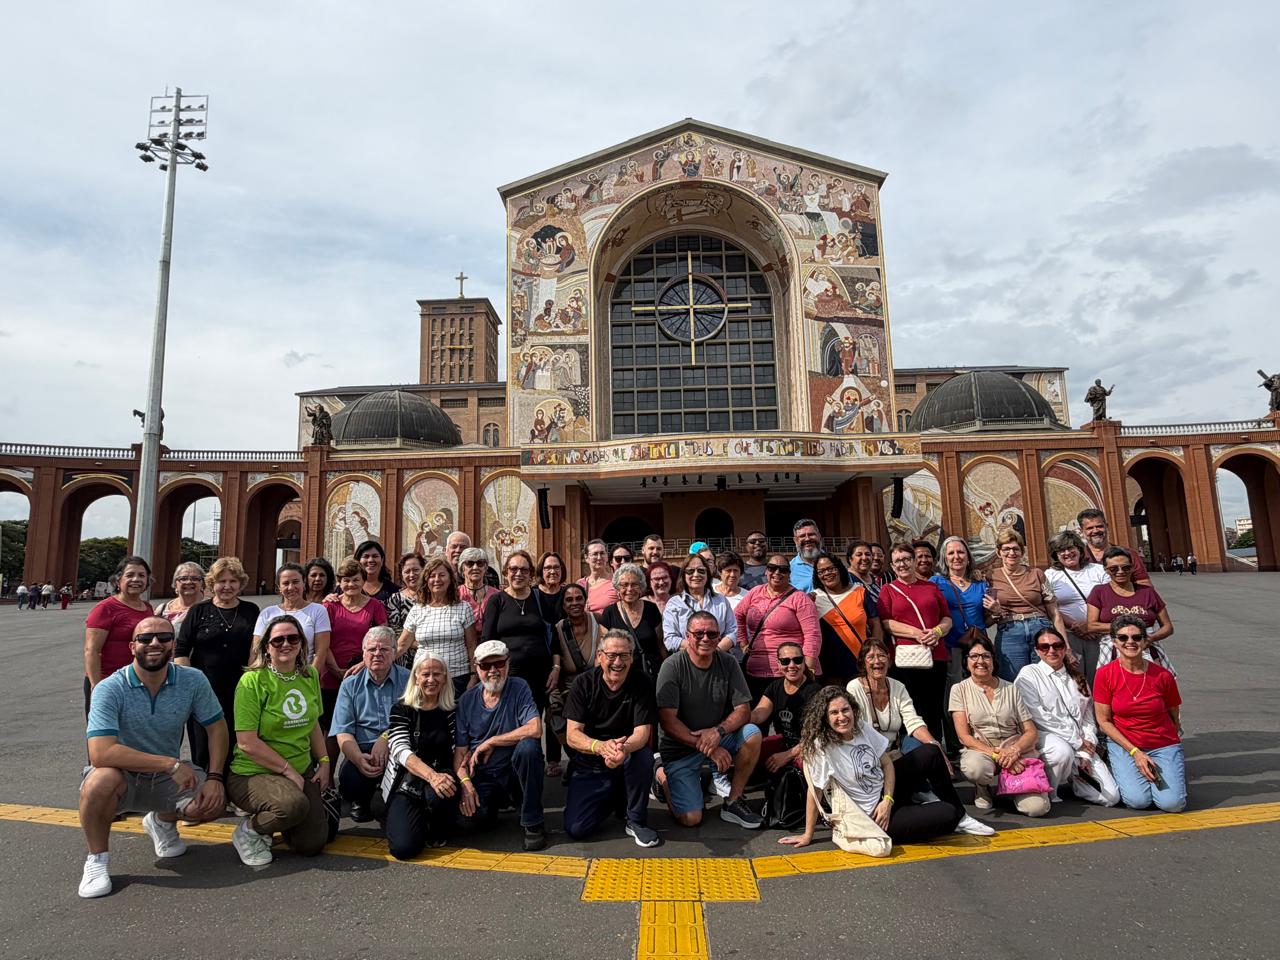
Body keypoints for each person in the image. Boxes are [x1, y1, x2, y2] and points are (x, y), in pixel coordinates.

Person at [77, 617, 229, 898]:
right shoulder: (109, 688)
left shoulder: (192, 679)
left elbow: (216, 726)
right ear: (132, 646)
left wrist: (216, 777)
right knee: (99, 781)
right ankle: (96, 860)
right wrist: (169, 764)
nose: (155, 643)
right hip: (123, 774)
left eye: (164, 637)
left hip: (165, 778)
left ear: (173, 644)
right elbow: (101, 752)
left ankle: (161, 820)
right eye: (146, 639)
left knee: (212, 804)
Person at [779, 686, 989, 854]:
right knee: (947, 813)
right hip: (872, 816)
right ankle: (950, 815)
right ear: (825, 718)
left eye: (845, 710)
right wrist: (807, 835)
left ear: (853, 709)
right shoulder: (822, 747)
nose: (841, 717)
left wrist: (887, 800)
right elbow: (814, 792)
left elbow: (887, 763)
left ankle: (962, 816)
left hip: (886, 795)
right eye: (833, 713)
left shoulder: (860, 727)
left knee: (931, 752)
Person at [226, 614, 330, 867]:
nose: (286, 644)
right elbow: (247, 742)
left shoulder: (309, 676)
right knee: (292, 806)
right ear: (266, 648)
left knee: (311, 845)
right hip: (254, 772)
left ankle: (279, 817)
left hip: (299, 769)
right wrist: (288, 771)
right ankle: (249, 831)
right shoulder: (252, 681)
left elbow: (313, 723)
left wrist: (325, 761)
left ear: (302, 644)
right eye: (277, 640)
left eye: (293, 638)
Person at [655, 611, 764, 829]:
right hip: (682, 747)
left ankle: (733, 800)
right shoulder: (672, 665)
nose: (705, 638)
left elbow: (743, 710)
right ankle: (661, 775)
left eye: (712, 634)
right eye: (699, 633)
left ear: (719, 636)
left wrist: (718, 732)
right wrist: (709, 748)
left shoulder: (728, 662)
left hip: (716, 737)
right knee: (691, 819)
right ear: (687, 636)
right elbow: (668, 721)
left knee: (752, 733)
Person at [562, 629, 659, 846]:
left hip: (626, 754)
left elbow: (642, 733)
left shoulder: (642, 682)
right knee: (577, 828)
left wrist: (623, 749)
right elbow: (572, 735)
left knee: (643, 756)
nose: (618, 662)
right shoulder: (583, 683)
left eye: (624, 655)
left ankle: (635, 820)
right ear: (599, 657)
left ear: (632, 657)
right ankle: (615, 798)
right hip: (591, 759)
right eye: (611, 655)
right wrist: (600, 747)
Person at [454, 640, 547, 850]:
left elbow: (535, 728)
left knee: (529, 748)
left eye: (499, 664)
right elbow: (460, 753)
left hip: (514, 768)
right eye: (486, 666)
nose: (493, 670)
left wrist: (492, 741)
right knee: (478, 819)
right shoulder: (467, 701)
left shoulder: (519, 687)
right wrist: (466, 785)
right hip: (485, 774)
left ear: (508, 663)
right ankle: (500, 802)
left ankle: (533, 821)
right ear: (476, 668)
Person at [174, 557, 260, 779]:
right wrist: (190, 682)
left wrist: (250, 679)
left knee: (237, 739)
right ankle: (204, 786)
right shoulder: (198, 611)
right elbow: (182, 649)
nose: (227, 586)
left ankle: (234, 787)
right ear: (212, 584)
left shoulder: (251, 610)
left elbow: (256, 648)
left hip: (240, 687)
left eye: (233, 581)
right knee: (203, 740)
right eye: (222, 581)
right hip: (204, 687)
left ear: (241, 584)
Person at [1015, 627, 1120, 807]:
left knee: (1111, 798)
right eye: (1044, 647)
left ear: (1064, 648)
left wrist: (1088, 744)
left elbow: (1088, 717)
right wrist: (1076, 742)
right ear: (1037, 650)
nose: (1051, 651)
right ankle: (1049, 791)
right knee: (1061, 751)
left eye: (1057, 645)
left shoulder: (1077, 677)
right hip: (1044, 735)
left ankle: (1076, 778)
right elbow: (1039, 716)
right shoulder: (1029, 674)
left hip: (1081, 742)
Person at [949, 636, 1051, 817]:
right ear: (966, 662)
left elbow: (1030, 731)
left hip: (1014, 749)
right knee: (974, 768)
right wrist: (998, 754)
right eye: (974, 656)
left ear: (993, 660)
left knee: (1036, 809)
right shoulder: (959, 689)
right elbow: (964, 737)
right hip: (982, 749)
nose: (980, 661)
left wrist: (1014, 751)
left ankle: (1014, 787)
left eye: (986, 656)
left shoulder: (1011, 688)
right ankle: (983, 787)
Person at [1093, 615, 1186, 812]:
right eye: (1123, 638)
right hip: (1125, 744)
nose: (1130, 642)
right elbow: (1103, 721)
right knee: (1138, 801)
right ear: (1114, 642)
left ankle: (1168, 772)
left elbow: (1174, 714)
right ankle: (1124, 768)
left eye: (1136, 637)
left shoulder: (1163, 675)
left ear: (1145, 642)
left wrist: (1167, 745)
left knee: (1172, 804)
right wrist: (1135, 752)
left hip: (1162, 743)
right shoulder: (1104, 675)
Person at [382, 650, 460, 859]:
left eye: (437, 674)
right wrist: (432, 777)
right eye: (425, 674)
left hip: (443, 776)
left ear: (445, 678)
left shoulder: (452, 709)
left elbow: (461, 749)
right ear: (416, 677)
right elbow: (400, 751)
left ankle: (437, 823)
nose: (431, 680)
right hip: (408, 780)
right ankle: (410, 819)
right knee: (403, 849)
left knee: (441, 793)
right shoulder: (402, 709)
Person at [330, 626, 408, 822]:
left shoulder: (409, 679)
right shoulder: (350, 685)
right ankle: (361, 800)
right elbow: (343, 731)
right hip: (362, 748)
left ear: (394, 653)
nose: (377, 654)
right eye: (372, 649)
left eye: (384, 650)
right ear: (363, 653)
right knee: (350, 779)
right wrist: (357, 758)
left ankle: (393, 801)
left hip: (399, 745)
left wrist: (386, 738)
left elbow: (413, 721)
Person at [877, 542, 953, 743]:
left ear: (913, 561)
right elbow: (886, 623)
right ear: (892, 566)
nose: (902, 564)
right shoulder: (888, 590)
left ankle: (937, 753)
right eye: (897, 561)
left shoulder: (931, 587)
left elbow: (947, 618)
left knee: (934, 706)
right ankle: (915, 754)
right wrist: (917, 633)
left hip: (934, 655)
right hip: (905, 659)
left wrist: (936, 632)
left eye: (906, 559)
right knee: (909, 707)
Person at [319, 558, 388, 757]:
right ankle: (328, 779)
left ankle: (360, 765)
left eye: (356, 580)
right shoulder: (329, 606)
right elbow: (324, 642)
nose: (351, 584)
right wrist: (336, 671)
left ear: (363, 581)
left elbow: (381, 640)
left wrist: (362, 666)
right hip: (331, 675)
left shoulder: (375, 606)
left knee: (361, 724)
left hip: (364, 673)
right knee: (332, 729)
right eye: (346, 580)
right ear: (339, 582)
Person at [845, 638, 953, 761]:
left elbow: (913, 722)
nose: (877, 661)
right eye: (871, 657)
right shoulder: (854, 687)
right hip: (867, 752)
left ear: (889, 659)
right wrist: (884, 758)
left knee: (928, 750)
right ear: (863, 662)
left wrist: (935, 745)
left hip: (895, 748)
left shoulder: (898, 686)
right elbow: (857, 729)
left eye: (881, 656)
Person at [737, 552, 822, 701]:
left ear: (789, 573)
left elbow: (813, 635)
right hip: (755, 672)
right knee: (758, 719)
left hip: (789, 673)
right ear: (766, 570)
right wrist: (743, 642)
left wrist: (807, 671)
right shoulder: (755, 593)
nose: (777, 573)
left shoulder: (800, 599)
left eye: (782, 569)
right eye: (772, 568)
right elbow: (737, 615)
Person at [930, 535, 988, 756]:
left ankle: (982, 741)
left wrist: (996, 610)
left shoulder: (981, 584)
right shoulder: (938, 583)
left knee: (981, 693)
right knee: (954, 696)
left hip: (978, 648)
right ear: (945, 558)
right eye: (951, 553)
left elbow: (987, 616)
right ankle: (956, 745)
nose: (956, 557)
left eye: (960, 552)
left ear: (968, 556)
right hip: (951, 647)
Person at [985, 530, 1067, 681]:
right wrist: (996, 613)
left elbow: (1054, 612)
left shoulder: (1036, 574)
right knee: (1015, 681)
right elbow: (987, 619)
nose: (1011, 553)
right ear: (998, 552)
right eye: (1006, 549)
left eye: (1016, 549)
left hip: (1040, 628)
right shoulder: (991, 577)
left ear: (1022, 551)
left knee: (1047, 679)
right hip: (1010, 631)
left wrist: (1065, 645)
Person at [484, 549, 556, 717]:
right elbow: (487, 639)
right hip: (508, 674)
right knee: (509, 721)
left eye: (524, 570)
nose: (518, 574)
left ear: (530, 573)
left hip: (540, 674)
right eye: (513, 569)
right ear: (506, 572)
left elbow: (554, 637)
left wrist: (556, 668)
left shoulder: (540, 598)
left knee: (534, 721)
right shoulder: (497, 600)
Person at [84, 556, 157, 716]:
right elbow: (92, 650)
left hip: (139, 682)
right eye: (130, 575)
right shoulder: (105, 608)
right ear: (118, 580)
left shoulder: (147, 608)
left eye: (141, 575)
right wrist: (97, 687)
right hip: (108, 682)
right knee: (106, 736)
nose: (136, 579)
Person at [1086, 547, 1175, 674]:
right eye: (1114, 568)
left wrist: (1151, 638)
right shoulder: (1099, 592)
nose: (1120, 572)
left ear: (1132, 567)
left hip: (1147, 646)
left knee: (1154, 688)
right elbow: (1091, 625)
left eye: (1125, 567)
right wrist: (1127, 630)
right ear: (1106, 570)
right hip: (1113, 648)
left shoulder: (1147, 592)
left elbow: (1168, 627)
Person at [399, 556, 477, 697]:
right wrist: (367, 663)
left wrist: (473, 676)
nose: (437, 580)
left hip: (457, 677)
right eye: (432, 576)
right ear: (426, 581)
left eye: (442, 575)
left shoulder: (463, 608)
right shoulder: (417, 610)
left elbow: (472, 645)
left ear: (450, 579)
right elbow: (402, 645)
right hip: (425, 680)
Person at [1044, 530, 1110, 684]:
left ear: (1080, 549)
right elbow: (1049, 608)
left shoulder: (1098, 570)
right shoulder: (1050, 575)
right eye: (1061, 550)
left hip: (1099, 634)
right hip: (1070, 635)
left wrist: (1090, 625)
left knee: (1100, 680)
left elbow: (1109, 601)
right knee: (1075, 681)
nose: (1067, 553)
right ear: (1055, 555)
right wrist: (1075, 625)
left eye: (1071, 548)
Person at [749, 641, 820, 774]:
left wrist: (787, 755)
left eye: (797, 660)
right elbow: (759, 714)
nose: (792, 666)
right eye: (785, 661)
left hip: (807, 747)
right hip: (784, 743)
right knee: (749, 738)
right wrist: (738, 717)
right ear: (778, 664)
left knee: (804, 764)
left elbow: (817, 736)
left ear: (804, 662)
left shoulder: (814, 692)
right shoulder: (775, 687)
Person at [811, 552, 878, 687]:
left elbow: (875, 624)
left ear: (840, 568)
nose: (827, 573)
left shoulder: (859, 592)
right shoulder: (813, 598)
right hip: (829, 670)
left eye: (831, 568)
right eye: (822, 571)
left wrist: (875, 650)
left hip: (860, 664)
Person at [253, 562, 332, 662]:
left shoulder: (318, 610)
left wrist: (311, 676)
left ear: (304, 583)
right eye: (286, 583)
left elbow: (321, 651)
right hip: (270, 674)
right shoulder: (267, 613)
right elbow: (256, 651)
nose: (291, 587)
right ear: (279, 588)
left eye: (295, 582)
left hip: (304, 674)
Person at [597, 564, 665, 678]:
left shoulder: (651, 609)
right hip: (620, 674)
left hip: (649, 673)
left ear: (641, 587)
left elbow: (661, 645)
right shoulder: (609, 613)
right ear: (617, 587)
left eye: (634, 584)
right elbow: (602, 649)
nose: (629, 589)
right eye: (624, 585)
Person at [663, 555, 737, 655]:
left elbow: (732, 631)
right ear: (684, 575)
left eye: (701, 570)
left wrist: (716, 650)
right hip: (686, 663)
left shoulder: (721, 601)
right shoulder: (674, 604)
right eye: (690, 571)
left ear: (708, 574)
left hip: (718, 659)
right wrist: (700, 649)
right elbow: (670, 639)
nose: (696, 574)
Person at [1078, 509, 1150, 584]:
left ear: (1107, 526)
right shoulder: (1078, 557)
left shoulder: (1129, 554)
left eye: (1099, 526)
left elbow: (1144, 583)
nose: (1095, 531)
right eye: (1090, 528)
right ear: (1081, 531)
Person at [385, 552, 425, 667]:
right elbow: (394, 630)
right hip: (403, 657)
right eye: (407, 572)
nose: (411, 575)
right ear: (401, 575)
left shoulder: (433, 597)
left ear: (423, 570)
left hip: (429, 654)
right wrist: (416, 644)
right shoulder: (395, 599)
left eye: (416, 570)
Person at [155, 561, 205, 627]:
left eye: (195, 578)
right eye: (183, 579)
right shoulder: (162, 609)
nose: (189, 582)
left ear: (202, 584)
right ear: (175, 584)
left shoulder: (210, 608)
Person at [458, 547, 498, 623]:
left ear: (485, 568)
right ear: (462, 568)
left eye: (480, 563)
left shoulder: (497, 595)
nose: (475, 567)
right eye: (469, 563)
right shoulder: (456, 594)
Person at [579, 539, 618, 615]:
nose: (599, 557)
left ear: (607, 556)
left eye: (602, 553)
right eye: (595, 554)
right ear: (586, 558)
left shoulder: (616, 581)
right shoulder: (580, 584)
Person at [354, 540, 397, 604]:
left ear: (382, 560)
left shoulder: (394, 591)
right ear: (358, 561)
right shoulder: (347, 588)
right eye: (366, 556)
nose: (370, 560)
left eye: (375, 556)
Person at [535, 550, 569, 627]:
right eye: (548, 568)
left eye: (556, 567)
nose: (553, 571)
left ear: (561, 570)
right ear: (541, 571)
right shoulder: (532, 594)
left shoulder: (567, 593)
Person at [789, 519, 823, 591]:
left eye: (811, 534)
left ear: (819, 536)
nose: (807, 539)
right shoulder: (789, 569)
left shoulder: (834, 562)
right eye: (802, 536)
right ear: (795, 541)